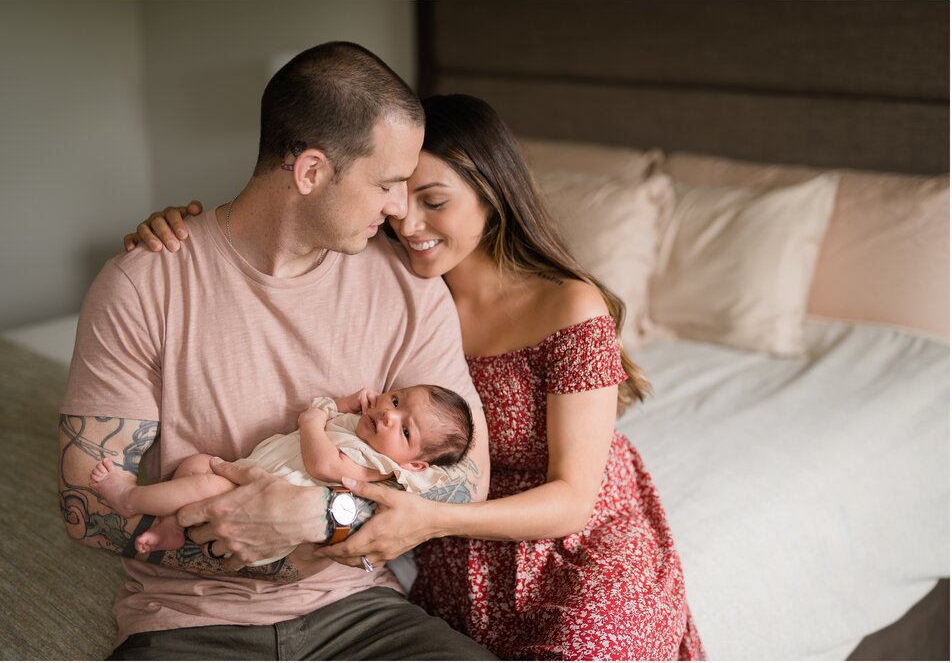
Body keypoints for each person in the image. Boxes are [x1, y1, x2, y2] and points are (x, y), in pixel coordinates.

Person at [129, 94, 705, 659]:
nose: (408, 223)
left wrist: (430, 519)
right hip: (461, 560)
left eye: (434, 201)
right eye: (398, 198)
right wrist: (181, 236)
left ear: (492, 196)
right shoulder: (403, 285)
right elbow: (282, 240)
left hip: (573, 547)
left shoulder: (570, 308)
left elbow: (575, 500)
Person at [59, 42, 495, 660]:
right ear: (311, 171)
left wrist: (327, 517)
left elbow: (468, 479)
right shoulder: (145, 283)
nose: (401, 210)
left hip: (362, 614)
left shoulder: (408, 289)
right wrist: (262, 545)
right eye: (389, 184)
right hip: (189, 623)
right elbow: (85, 509)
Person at [90, 385, 474, 560]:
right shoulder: (357, 423)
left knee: (206, 482)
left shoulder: (377, 467)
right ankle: (171, 529)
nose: (389, 414)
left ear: (414, 465)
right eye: (396, 400)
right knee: (195, 465)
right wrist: (337, 405)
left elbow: (324, 466)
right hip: (247, 472)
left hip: (264, 509)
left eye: (405, 431)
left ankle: (129, 499)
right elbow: (327, 406)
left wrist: (310, 422)